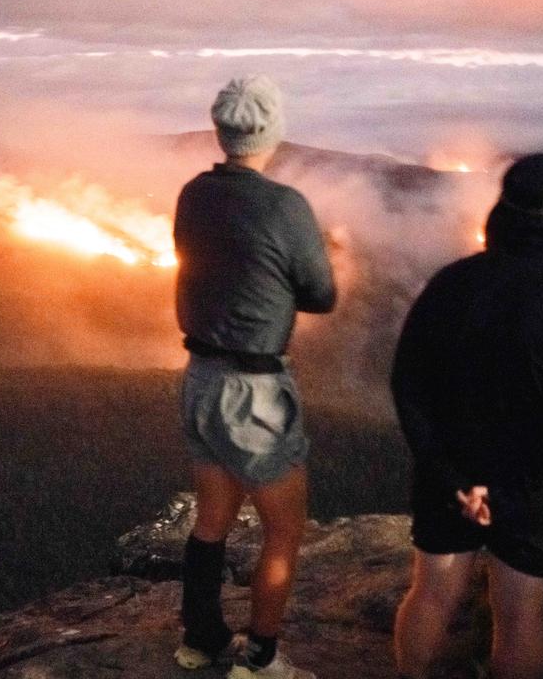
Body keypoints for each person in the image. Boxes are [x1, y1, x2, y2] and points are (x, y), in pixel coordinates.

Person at [390, 154, 543, 679]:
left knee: (430, 596)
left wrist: (454, 481)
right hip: (533, 495)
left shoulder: (449, 285)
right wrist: (512, 493)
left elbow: (409, 387)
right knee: (519, 621)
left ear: (501, 212)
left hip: (449, 482)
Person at [172, 75, 336, 679]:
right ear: (273, 131)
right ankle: (261, 661)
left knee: (211, 520)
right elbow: (321, 295)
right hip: (254, 391)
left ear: (222, 130)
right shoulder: (286, 206)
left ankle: (201, 642)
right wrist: (319, 251)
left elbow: (219, 261)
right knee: (285, 530)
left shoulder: (193, 194)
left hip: (199, 379)